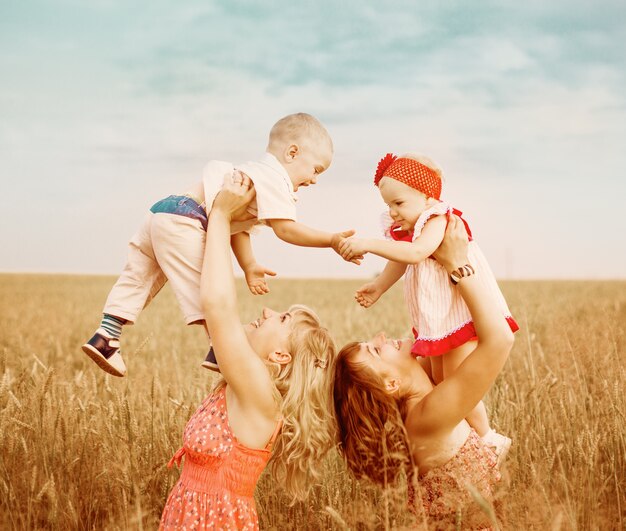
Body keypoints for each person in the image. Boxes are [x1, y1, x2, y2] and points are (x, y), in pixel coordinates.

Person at [82, 113, 356, 377]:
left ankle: (106, 337)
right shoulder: (276, 179)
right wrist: (330, 240)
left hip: (162, 212)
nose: (315, 179)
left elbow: (237, 228)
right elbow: (286, 230)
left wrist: (248, 265)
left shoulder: (251, 172)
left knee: (138, 278)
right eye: (316, 169)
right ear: (293, 153)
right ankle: (220, 351)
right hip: (188, 220)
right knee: (208, 288)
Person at [159, 173, 336, 529]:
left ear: (281, 357)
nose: (267, 311)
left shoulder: (260, 393)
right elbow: (216, 312)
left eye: (282, 318)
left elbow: (219, 306)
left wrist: (223, 216)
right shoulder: (245, 382)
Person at [333, 215, 515, 529]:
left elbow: (437, 325)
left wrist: (425, 252)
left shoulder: (422, 396)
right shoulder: (428, 417)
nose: (380, 337)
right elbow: (500, 340)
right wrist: (459, 266)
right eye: (376, 350)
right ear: (391, 384)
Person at [338, 153, 518, 456]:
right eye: (388, 205)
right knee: (440, 377)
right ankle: (464, 441)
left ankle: (486, 437)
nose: (393, 212)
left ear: (426, 196)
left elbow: (417, 253)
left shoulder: (436, 219)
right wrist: (380, 286)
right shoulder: (411, 224)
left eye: (399, 203)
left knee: (456, 375)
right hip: (436, 318)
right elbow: (400, 257)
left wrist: (368, 244)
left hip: (456, 311)